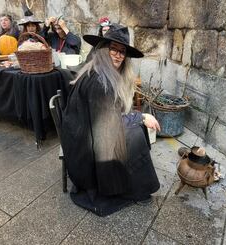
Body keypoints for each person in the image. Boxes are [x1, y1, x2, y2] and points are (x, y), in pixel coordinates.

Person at [60, 23, 161, 217]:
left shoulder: (100, 73)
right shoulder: (99, 82)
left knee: (133, 130)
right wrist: (141, 116)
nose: (118, 55)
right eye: (113, 48)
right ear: (103, 50)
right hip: (85, 153)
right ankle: (135, 189)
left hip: (83, 137)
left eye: (122, 51)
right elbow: (109, 126)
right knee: (136, 135)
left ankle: (132, 181)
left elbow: (108, 118)